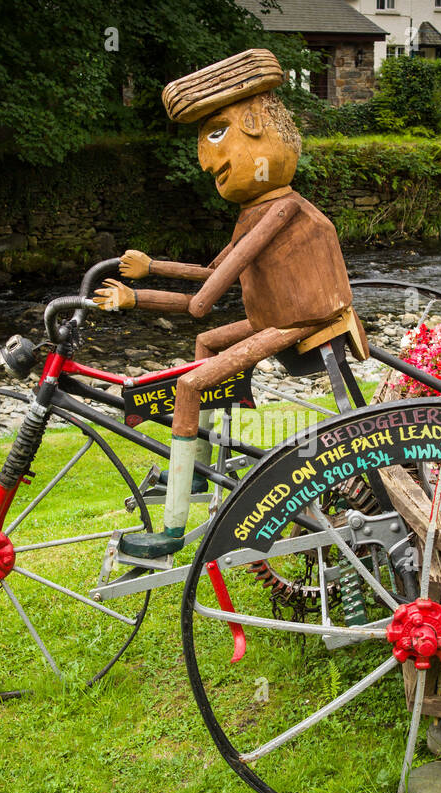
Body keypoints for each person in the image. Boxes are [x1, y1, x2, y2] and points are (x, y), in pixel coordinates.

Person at [93, 48, 367, 558]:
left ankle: (171, 530)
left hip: (304, 319)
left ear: (257, 123)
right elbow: (214, 270)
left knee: (192, 381)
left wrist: (137, 298)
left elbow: (201, 301)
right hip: (277, 318)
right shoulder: (257, 210)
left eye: (216, 134)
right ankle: (202, 469)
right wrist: (154, 266)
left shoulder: (280, 209)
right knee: (205, 344)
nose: (204, 160)